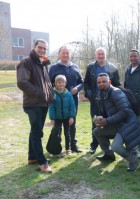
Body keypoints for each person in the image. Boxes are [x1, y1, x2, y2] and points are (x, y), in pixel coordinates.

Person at [17, 39, 54, 173]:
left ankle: (32, 158)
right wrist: (39, 93)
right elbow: (22, 82)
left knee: (35, 130)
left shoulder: (43, 63)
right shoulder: (26, 62)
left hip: (43, 103)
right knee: (37, 132)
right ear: (34, 47)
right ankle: (42, 162)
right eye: (40, 47)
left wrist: (50, 94)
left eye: (45, 48)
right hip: (33, 104)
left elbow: (46, 83)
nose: (43, 50)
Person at [94, 73, 140, 171]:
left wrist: (107, 121)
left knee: (115, 146)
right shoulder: (101, 94)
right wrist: (100, 119)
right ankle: (109, 155)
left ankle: (132, 159)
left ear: (109, 82)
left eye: (104, 81)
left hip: (127, 124)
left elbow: (124, 111)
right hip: (116, 124)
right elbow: (106, 111)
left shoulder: (116, 92)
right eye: (99, 82)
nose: (101, 84)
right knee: (96, 131)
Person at [84, 47, 121, 154]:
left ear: (106, 54)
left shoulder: (113, 68)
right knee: (95, 123)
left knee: (108, 121)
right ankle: (94, 146)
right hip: (95, 102)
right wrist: (90, 96)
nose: (101, 56)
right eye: (99, 54)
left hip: (109, 102)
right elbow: (86, 84)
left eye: (102, 54)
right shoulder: (90, 67)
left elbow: (117, 84)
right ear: (96, 55)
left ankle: (107, 147)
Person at [49, 46, 83, 153]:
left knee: (71, 123)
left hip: (72, 101)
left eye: (67, 53)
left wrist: (77, 88)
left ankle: (72, 146)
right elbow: (48, 84)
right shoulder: (54, 68)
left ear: (70, 54)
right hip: (57, 101)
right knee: (58, 125)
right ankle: (57, 147)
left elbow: (81, 82)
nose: (65, 55)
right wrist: (52, 95)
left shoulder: (75, 67)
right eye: (63, 53)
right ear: (59, 54)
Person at [49, 75, 76, 155]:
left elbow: (72, 106)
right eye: (59, 82)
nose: (61, 84)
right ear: (55, 84)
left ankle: (68, 148)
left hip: (67, 118)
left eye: (63, 82)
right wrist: (52, 118)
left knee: (67, 133)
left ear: (65, 83)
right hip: (57, 118)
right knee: (57, 133)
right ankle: (57, 148)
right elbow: (51, 107)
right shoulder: (53, 94)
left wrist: (71, 117)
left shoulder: (69, 94)